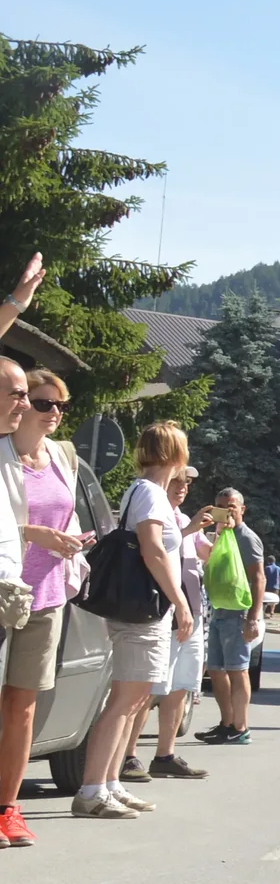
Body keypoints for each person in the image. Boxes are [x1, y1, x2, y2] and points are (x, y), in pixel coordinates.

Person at [75, 421, 193, 819]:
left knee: (135, 697)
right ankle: (93, 789)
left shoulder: (144, 491)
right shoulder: (152, 495)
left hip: (144, 610)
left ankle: (109, 784)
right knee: (125, 700)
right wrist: (181, 602)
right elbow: (153, 550)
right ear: (176, 456)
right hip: (145, 611)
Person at [0, 359, 78, 849]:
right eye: (43, 402)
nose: (52, 412)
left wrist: (70, 543)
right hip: (4, 591)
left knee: (22, 707)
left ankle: (8, 808)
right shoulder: (2, 453)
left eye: (60, 405)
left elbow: (65, 515)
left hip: (45, 596)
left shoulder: (63, 457)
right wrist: (33, 533)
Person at [139, 469, 212, 780]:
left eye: (188, 483)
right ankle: (128, 756)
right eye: (178, 481)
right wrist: (189, 529)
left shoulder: (183, 518)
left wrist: (225, 532)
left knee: (180, 685)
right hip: (165, 611)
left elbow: (207, 555)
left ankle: (164, 754)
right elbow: (154, 549)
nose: (183, 487)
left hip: (191, 612)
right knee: (149, 687)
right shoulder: (157, 513)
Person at [196, 487, 266, 745]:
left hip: (238, 614)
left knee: (238, 671)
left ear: (242, 509)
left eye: (232, 507)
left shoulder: (246, 538)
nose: (227, 512)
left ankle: (241, 727)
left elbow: (259, 578)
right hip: (217, 612)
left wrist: (252, 618)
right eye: (221, 507)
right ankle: (226, 723)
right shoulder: (217, 536)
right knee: (215, 670)